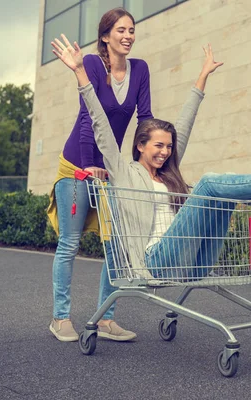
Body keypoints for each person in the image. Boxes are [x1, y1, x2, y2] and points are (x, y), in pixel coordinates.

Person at [51, 35, 251, 285]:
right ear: (140, 145)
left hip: (193, 260)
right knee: (209, 184)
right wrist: (79, 72)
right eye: (158, 146)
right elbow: (99, 123)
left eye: (168, 147)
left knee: (219, 192)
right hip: (156, 262)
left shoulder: (168, 171)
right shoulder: (124, 174)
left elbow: (185, 123)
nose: (164, 152)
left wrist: (203, 76)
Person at [47, 8, 151, 343]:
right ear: (106, 36)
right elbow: (86, 116)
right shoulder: (92, 64)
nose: (128, 36)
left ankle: (106, 319)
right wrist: (88, 165)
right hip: (77, 165)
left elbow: (145, 119)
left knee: (117, 243)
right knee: (70, 243)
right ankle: (60, 318)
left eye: (132, 30)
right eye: (121, 30)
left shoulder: (140, 70)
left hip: (109, 169)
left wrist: (143, 166)